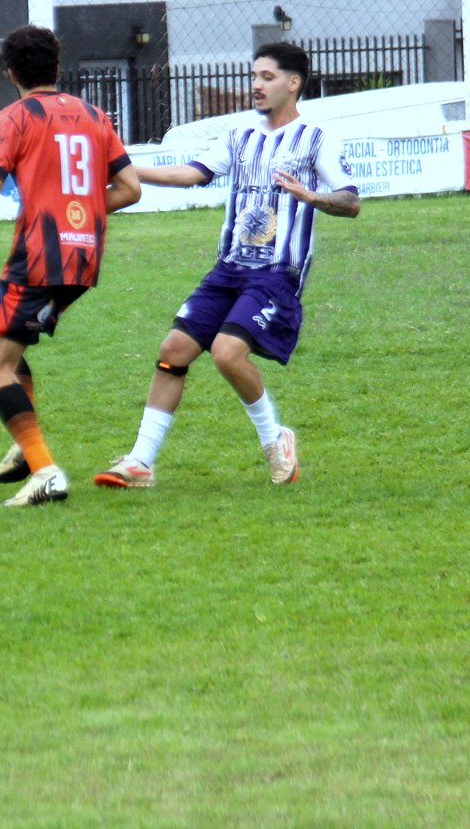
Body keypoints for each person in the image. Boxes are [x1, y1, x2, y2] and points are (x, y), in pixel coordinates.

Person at [94, 42, 359, 492]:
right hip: (229, 269)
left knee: (226, 352)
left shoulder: (317, 137)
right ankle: (140, 463)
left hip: (277, 274)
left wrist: (313, 197)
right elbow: (192, 173)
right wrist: (123, 167)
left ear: (293, 83)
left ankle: (276, 440)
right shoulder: (239, 134)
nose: (256, 85)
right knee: (172, 352)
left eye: (267, 77)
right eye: (254, 76)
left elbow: (351, 201)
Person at [0, 25, 142, 507]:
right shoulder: (94, 115)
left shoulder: (12, 118)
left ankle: (46, 470)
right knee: (11, 349)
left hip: (37, 257)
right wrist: (80, 209)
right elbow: (131, 189)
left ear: (10, 73)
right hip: (84, 254)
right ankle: (24, 449)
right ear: (57, 67)